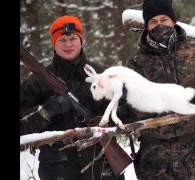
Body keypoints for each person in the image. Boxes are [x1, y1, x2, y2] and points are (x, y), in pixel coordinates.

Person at [125, 0, 195, 179]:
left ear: (173, 21)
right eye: (153, 21)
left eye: (164, 19)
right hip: (153, 153)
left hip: (193, 148)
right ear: (146, 26)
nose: (159, 25)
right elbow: (128, 100)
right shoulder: (137, 61)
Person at [20, 15, 133, 180]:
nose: (68, 44)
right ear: (53, 43)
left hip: (102, 168)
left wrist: (107, 121)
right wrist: (47, 110)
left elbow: (129, 108)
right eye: (62, 39)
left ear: (81, 41)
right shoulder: (37, 82)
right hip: (58, 172)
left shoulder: (102, 73)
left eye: (73, 38)